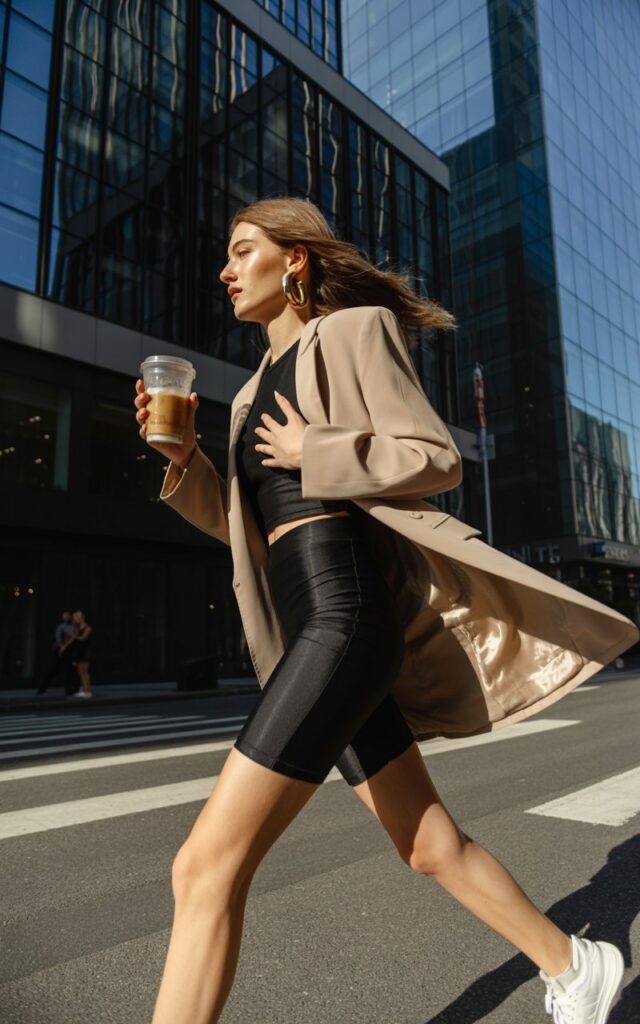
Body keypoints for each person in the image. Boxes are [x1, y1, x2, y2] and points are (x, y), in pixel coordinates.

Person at [134, 198, 634, 1024]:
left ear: (294, 260)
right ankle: (575, 963)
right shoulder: (248, 390)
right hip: (307, 628)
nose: (225, 270)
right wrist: (185, 460)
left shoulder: (356, 330)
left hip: (343, 611)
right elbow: (245, 526)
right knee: (426, 843)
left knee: (202, 869)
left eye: (242, 250)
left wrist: (313, 450)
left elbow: (436, 458)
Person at [35, 610, 79, 696]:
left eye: (67, 615)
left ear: (70, 616)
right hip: (59, 651)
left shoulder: (74, 627)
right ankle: (41, 689)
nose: (65, 617)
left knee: (69, 672)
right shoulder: (61, 626)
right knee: (53, 670)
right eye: (64, 616)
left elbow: (75, 637)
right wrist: (62, 647)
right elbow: (58, 638)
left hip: (69, 651)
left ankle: (69, 692)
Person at [65, 609, 93, 699]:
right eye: (75, 617)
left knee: (84, 672)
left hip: (84, 652)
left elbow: (83, 638)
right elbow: (72, 639)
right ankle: (84, 689)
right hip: (79, 652)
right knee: (80, 672)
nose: (76, 619)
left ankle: (87, 691)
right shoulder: (78, 628)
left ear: (82, 618)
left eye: (77, 617)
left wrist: (74, 636)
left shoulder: (87, 628)